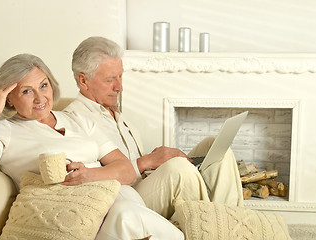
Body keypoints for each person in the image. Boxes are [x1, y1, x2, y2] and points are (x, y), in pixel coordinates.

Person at [0, 53, 184, 240]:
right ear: (8, 98)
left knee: (129, 212)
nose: (40, 98)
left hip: (116, 196)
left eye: (43, 86)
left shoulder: (77, 120)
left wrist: (89, 175)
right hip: (76, 211)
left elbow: (125, 170)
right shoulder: (5, 129)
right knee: (127, 217)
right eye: (27, 91)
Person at [64, 36, 244, 220]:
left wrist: (157, 159)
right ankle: (214, 226)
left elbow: (132, 161)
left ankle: (230, 222)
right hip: (126, 200)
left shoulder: (115, 113)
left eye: (120, 77)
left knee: (215, 148)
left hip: (145, 183)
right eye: (110, 79)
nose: (120, 87)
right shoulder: (75, 119)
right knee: (179, 169)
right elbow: (92, 177)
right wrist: (148, 161)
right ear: (84, 81)